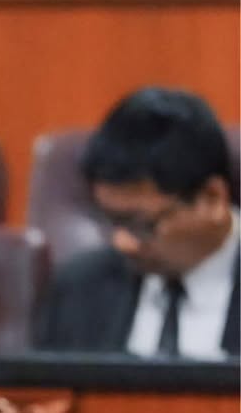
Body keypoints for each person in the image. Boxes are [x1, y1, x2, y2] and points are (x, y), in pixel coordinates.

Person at [35, 87, 240, 358]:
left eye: (142, 225)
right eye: (111, 221)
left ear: (212, 199)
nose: (123, 243)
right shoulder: (78, 289)